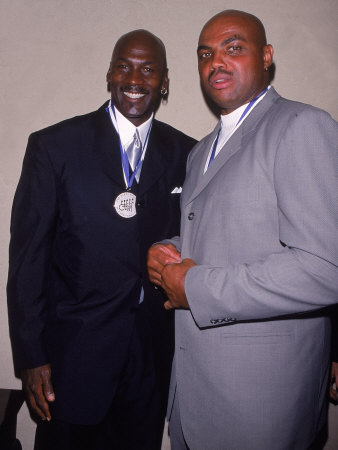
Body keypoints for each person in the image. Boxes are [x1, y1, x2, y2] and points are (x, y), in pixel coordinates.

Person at [147, 10, 338, 450]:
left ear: (267, 56)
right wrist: (168, 249)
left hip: (261, 404)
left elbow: (324, 267)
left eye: (234, 48)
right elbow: (227, 233)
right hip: (196, 393)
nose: (216, 62)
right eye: (205, 54)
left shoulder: (301, 125)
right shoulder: (202, 151)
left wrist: (195, 287)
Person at [7, 29, 196, 450]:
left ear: (164, 82)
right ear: (109, 74)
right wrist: (31, 357)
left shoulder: (190, 155)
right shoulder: (55, 147)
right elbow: (27, 259)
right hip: (72, 358)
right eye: (124, 66)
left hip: (151, 359)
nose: (135, 78)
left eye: (148, 69)